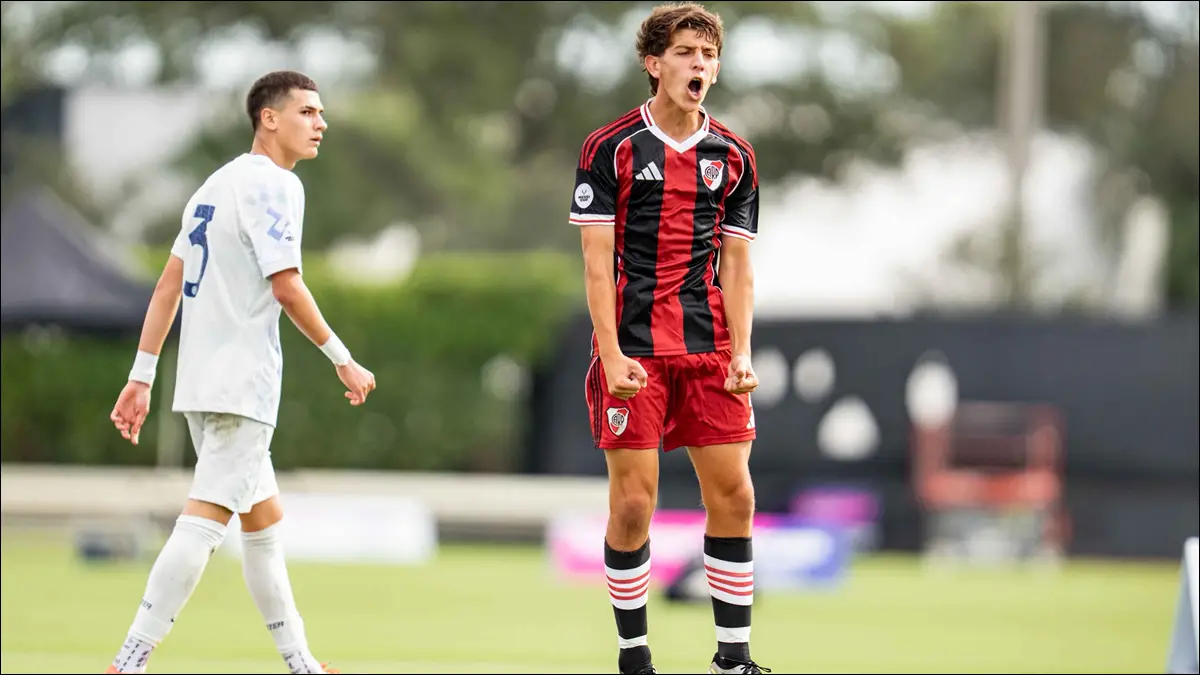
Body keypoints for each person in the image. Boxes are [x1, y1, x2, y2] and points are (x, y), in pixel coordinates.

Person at [106, 70, 376, 675]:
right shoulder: (276, 186)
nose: (321, 123)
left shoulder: (213, 184)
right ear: (269, 118)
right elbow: (287, 286)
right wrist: (344, 358)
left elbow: (168, 285)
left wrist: (142, 374)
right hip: (243, 382)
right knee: (203, 521)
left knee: (263, 524)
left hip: (202, 380)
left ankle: (301, 662)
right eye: (308, 111)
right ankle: (129, 661)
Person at [570, 3, 767, 674]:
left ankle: (733, 658)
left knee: (735, 496)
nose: (699, 66)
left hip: (709, 347)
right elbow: (597, 263)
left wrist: (741, 351)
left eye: (708, 56)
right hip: (634, 347)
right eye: (685, 54)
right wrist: (613, 351)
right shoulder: (612, 147)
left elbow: (738, 265)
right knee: (633, 503)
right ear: (655, 64)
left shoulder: (734, 156)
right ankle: (634, 656)